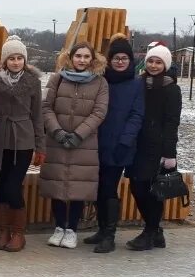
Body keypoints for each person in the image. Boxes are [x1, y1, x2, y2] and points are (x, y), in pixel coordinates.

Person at [41, 42, 109, 249]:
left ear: (92, 59)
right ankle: (59, 227)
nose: (81, 60)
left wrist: (79, 134)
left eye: (86, 57)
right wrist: (58, 132)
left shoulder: (100, 83)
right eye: (78, 56)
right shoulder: (57, 78)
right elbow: (46, 107)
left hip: (84, 143)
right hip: (57, 141)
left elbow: (99, 112)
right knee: (57, 184)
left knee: (79, 188)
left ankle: (71, 230)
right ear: (71, 58)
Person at [85, 33, 144, 253]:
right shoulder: (102, 80)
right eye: (116, 58)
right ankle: (101, 229)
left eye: (124, 58)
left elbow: (137, 115)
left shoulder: (137, 85)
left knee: (109, 188)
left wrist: (125, 141)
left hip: (119, 146)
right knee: (99, 187)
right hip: (96, 142)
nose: (120, 61)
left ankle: (109, 234)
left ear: (130, 61)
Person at [0, 36, 44, 253]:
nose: (16, 62)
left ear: (25, 60)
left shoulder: (33, 83)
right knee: (1, 186)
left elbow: (38, 116)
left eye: (20, 58)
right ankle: (4, 231)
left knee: (13, 186)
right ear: (4, 60)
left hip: (23, 139)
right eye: (12, 58)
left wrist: (41, 146)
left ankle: (19, 232)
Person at [125, 44, 182, 251]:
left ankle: (150, 232)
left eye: (159, 62)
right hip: (136, 143)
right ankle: (156, 231)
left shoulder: (171, 88)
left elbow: (172, 122)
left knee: (149, 189)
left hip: (155, 146)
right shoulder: (139, 83)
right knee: (136, 186)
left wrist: (169, 153)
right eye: (151, 61)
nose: (154, 65)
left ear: (165, 65)